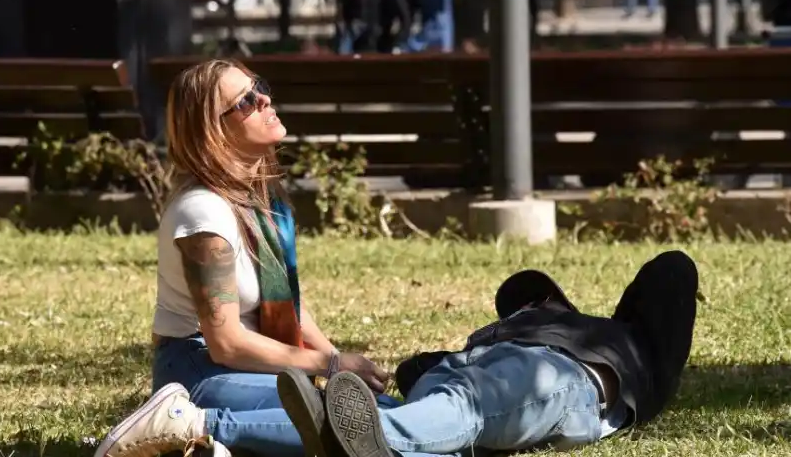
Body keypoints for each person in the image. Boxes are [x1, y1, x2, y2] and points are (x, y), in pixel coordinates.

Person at [93, 60, 390, 457]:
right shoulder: (204, 213)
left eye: (259, 88)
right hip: (199, 371)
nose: (265, 99)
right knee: (349, 427)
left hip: (253, 366)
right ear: (213, 131)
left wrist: (340, 366)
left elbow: (287, 308)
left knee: (377, 417)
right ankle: (185, 425)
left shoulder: (266, 202)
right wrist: (329, 366)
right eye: (246, 101)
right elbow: (226, 344)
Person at [278, 250, 699, 457]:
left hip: (558, 373)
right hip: (465, 373)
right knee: (453, 414)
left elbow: (672, 271)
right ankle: (220, 429)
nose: (528, 308)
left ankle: (354, 436)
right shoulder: (503, 334)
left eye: (539, 302)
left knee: (467, 407)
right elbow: (414, 371)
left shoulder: (616, 345)